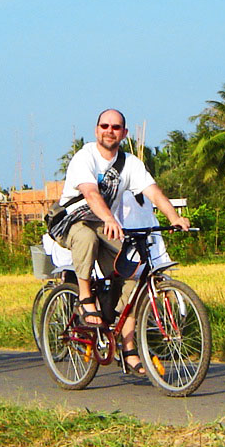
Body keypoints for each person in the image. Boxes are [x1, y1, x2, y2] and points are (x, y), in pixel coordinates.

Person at [52, 108, 190, 374]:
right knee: (86, 236)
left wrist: (174, 217)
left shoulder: (131, 164)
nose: (109, 131)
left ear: (124, 133)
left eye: (116, 127)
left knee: (132, 274)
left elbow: (153, 192)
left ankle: (128, 349)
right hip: (71, 223)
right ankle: (84, 297)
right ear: (96, 130)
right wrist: (110, 220)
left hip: (106, 225)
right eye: (104, 126)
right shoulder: (85, 158)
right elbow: (91, 194)